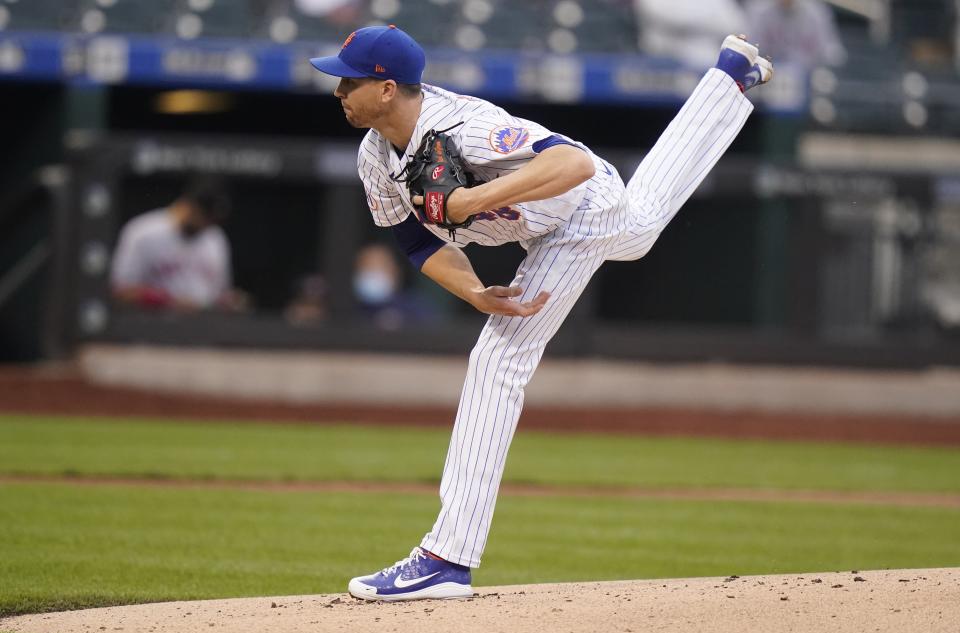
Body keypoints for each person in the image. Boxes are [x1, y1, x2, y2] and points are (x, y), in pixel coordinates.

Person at [310, 24, 772, 601]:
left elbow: (574, 164)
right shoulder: (375, 154)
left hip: (579, 208)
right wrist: (475, 292)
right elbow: (416, 243)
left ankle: (446, 558)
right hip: (548, 221)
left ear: (385, 88)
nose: (337, 90)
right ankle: (729, 80)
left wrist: (472, 200)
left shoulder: (465, 129)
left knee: (498, 359)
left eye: (347, 80)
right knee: (641, 229)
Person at [110, 177, 247, 312]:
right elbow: (119, 291)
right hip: (152, 327)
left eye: (212, 219)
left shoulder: (215, 239)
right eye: (204, 215)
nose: (206, 224)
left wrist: (230, 301)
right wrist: (166, 301)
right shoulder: (143, 231)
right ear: (188, 204)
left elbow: (219, 294)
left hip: (201, 329)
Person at [745, 0, 846, 70]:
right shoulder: (759, 10)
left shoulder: (816, 13)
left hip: (807, 77)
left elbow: (833, 53)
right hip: (766, 76)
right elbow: (750, 48)